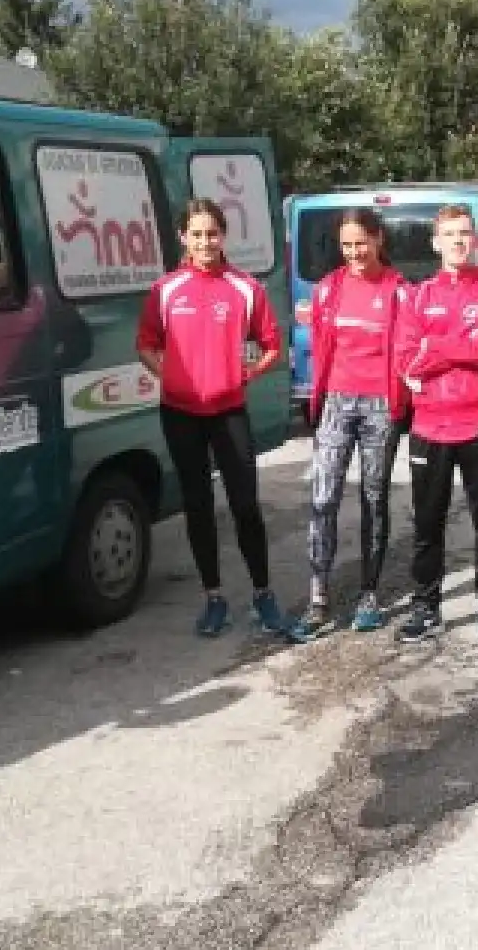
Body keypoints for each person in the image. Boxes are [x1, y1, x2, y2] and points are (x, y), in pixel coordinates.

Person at [136, 198, 297, 640]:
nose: (206, 242)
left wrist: (246, 374)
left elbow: (271, 345)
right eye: (198, 234)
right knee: (198, 507)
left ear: (223, 236)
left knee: (245, 505)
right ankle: (214, 598)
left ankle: (263, 594)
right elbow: (146, 343)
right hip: (180, 413)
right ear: (183, 237)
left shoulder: (245, 288)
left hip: (228, 412)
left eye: (213, 234)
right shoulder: (165, 290)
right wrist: (169, 374)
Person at [392, 204, 478, 648]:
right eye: (449, 234)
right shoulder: (416, 297)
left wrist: (435, 346)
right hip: (430, 424)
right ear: (436, 243)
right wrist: (453, 346)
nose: (458, 241)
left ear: (475, 240)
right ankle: (426, 606)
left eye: (465, 233)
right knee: (427, 522)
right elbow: (405, 358)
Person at [299, 208, 411, 637]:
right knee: (323, 498)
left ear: (378, 239)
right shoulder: (329, 289)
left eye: (361, 243)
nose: (354, 253)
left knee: (373, 499)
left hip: (380, 405)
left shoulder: (399, 291)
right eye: (346, 245)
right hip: (336, 403)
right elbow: (321, 346)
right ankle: (317, 597)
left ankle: (369, 594)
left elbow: (410, 348)